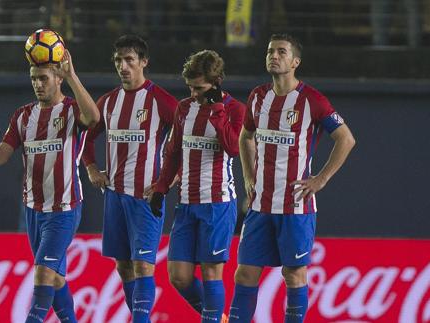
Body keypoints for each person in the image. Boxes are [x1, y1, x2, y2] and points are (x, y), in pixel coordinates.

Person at [228, 34, 356, 322]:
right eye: (270, 51)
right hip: (260, 205)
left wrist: (321, 179)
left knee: (294, 273)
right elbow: (246, 136)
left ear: (295, 61)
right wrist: (248, 175)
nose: (274, 55)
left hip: (295, 207)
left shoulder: (312, 100)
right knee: (245, 272)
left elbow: (346, 139)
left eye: (281, 52)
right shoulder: (258, 97)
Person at [0, 49, 99, 323]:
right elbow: (4, 150)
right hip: (33, 209)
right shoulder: (22, 116)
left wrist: (73, 76)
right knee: (54, 279)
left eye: (43, 78)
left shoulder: (70, 110)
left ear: (57, 79)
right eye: (34, 79)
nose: (37, 84)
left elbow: (94, 118)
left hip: (64, 208)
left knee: (42, 274)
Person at [81, 34, 178, 322]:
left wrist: (169, 179)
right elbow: (86, 136)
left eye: (129, 60)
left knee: (143, 265)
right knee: (123, 266)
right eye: (118, 61)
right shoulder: (109, 102)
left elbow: (188, 138)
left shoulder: (161, 100)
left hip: (145, 198)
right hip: (115, 196)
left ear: (144, 62)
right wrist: (91, 168)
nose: (123, 66)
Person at [147, 50, 246, 323]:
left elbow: (233, 148)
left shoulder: (235, 109)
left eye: (199, 88)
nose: (193, 94)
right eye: (190, 87)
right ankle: (219, 318)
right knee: (179, 276)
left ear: (216, 83)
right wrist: (161, 187)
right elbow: (174, 153)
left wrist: (216, 111)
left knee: (212, 273)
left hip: (217, 203)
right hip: (187, 204)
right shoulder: (184, 108)